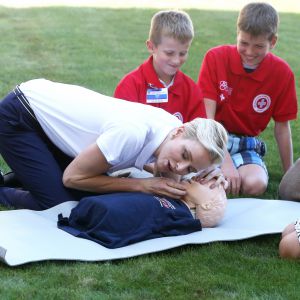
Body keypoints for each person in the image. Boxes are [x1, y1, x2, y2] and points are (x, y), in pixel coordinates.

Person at [0, 78, 228, 210]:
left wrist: (204, 178)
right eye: (184, 155)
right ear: (179, 132)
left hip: (45, 120)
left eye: (189, 168)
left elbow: (174, 174)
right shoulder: (132, 133)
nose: (179, 168)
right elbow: (73, 177)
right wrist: (143, 186)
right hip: (19, 116)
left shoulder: (174, 131)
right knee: (59, 203)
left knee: (87, 193)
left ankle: (16, 175)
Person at [197, 2, 298, 196]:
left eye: (259, 46)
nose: (250, 52)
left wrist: (290, 176)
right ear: (237, 33)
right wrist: (224, 161)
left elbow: (282, 128)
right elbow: (207, 119)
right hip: (211, 137)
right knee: (207, 185)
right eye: (243, 43)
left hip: (246, 142)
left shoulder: (282, 73)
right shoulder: (215, 57)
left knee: (256, 184)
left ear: (273, 41)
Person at [57, 178, 227, 248]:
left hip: (107, 218)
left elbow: (164, 229)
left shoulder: (182, 217)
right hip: (94, 207)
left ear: (205, 206)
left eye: (204, 185)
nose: (198, 179)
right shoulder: (169, 193)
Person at [114, 10, 206, 123]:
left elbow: (199, 134)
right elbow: (120, 129)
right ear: (151, 46)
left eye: (182, 53)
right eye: (169, 53)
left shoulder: (191, 91)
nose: (176, 61)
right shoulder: (130, 86)